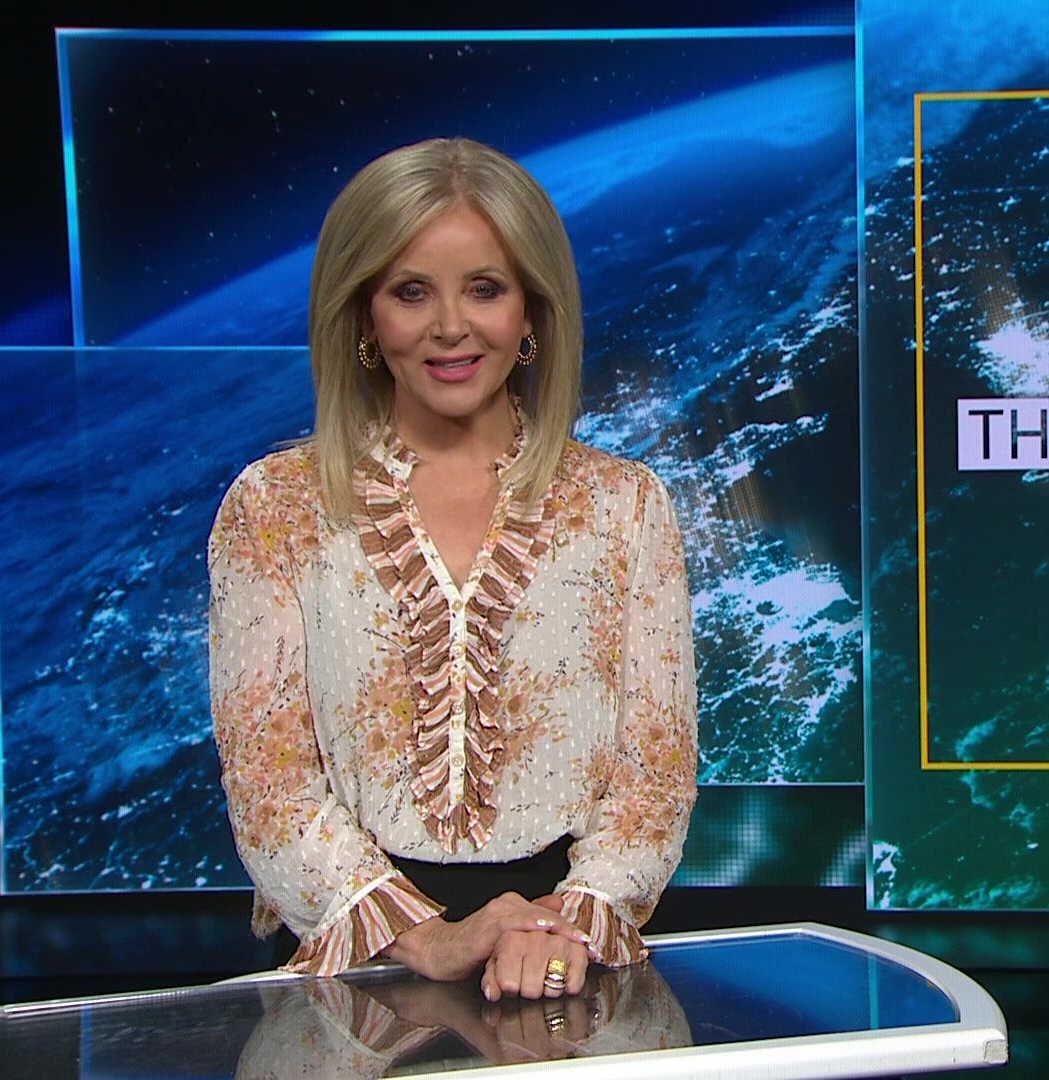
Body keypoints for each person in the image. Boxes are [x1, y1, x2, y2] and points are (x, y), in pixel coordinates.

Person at [206, 137, 698, 1001]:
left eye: (485, 288)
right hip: (355, 966)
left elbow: (654, 771)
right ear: (364, 316)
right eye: (410, 292)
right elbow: (270, 784)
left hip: (565, 958)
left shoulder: (626, 505)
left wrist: (564, 923)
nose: (449, 327)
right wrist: (430, 940)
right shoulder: (273, 506)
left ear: (533, 310)